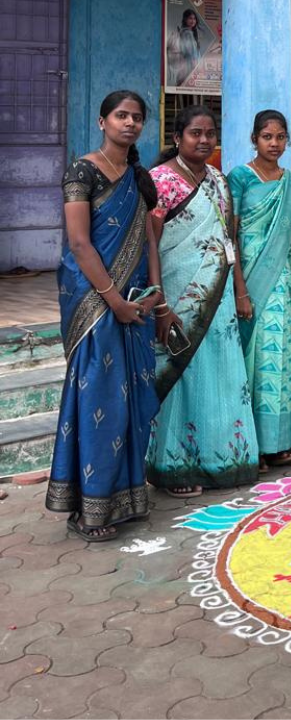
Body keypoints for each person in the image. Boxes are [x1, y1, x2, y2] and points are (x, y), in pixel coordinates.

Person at [46, 90, 163, 540]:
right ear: (102, 121)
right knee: (100, 400)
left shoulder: (138, 177)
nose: (129, 123)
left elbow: (149, 240)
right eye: (121, 115)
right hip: (95, 302)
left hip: (134, 300)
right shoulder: (84, 171)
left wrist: (154, 295)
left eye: (136, 117)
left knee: (129, 402)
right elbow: (79, 243)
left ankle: (127, 498)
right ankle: (88, 510)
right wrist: (114, 300)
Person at [145, 105, 259, 495]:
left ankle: (223, 459)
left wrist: (240, 290)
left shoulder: (218, 180)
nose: (204, 140)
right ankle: (173, 468)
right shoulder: (159, 180)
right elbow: (150, 244)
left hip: (220, 295)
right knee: (182, 377)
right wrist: (159, 301)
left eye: (210, 133)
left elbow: (230, 240)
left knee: (221, 375)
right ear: (178, 138)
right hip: (178, 295)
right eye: (196, 133)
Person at [228, 110, 291, 468]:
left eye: (280, 137)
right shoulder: (240, 177)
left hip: (283, 281)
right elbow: (232, 236)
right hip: (250, 282)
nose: (274, 144)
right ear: (254, 139)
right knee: (252, 363)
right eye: (267, 137)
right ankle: (254, 445)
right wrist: (240, 289)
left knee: (281, 359)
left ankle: (280, 442)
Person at [166, 9, 202, 87]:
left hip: (184, 68)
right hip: (190, 67)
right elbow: (191, 52)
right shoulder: (187, 33)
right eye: (190, 18)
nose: (193, 21)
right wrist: (196, 67)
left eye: (194, 18)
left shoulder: (185, 32)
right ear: (185, 19)